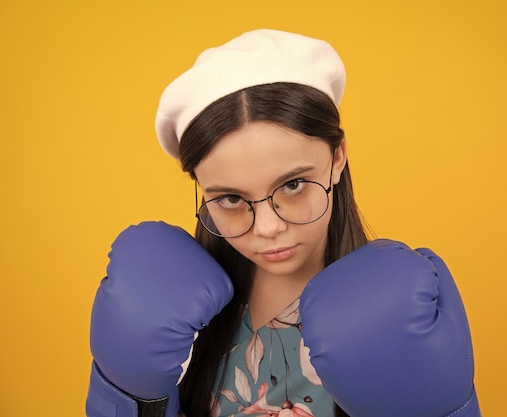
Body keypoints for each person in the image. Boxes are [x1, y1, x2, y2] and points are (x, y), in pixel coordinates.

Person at [86, 29, 481, 417]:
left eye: (292, 184)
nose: (268, 228)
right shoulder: (167, 309)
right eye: (231, 199)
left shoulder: (396, 313)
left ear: (337, 158)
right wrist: (129, 400)